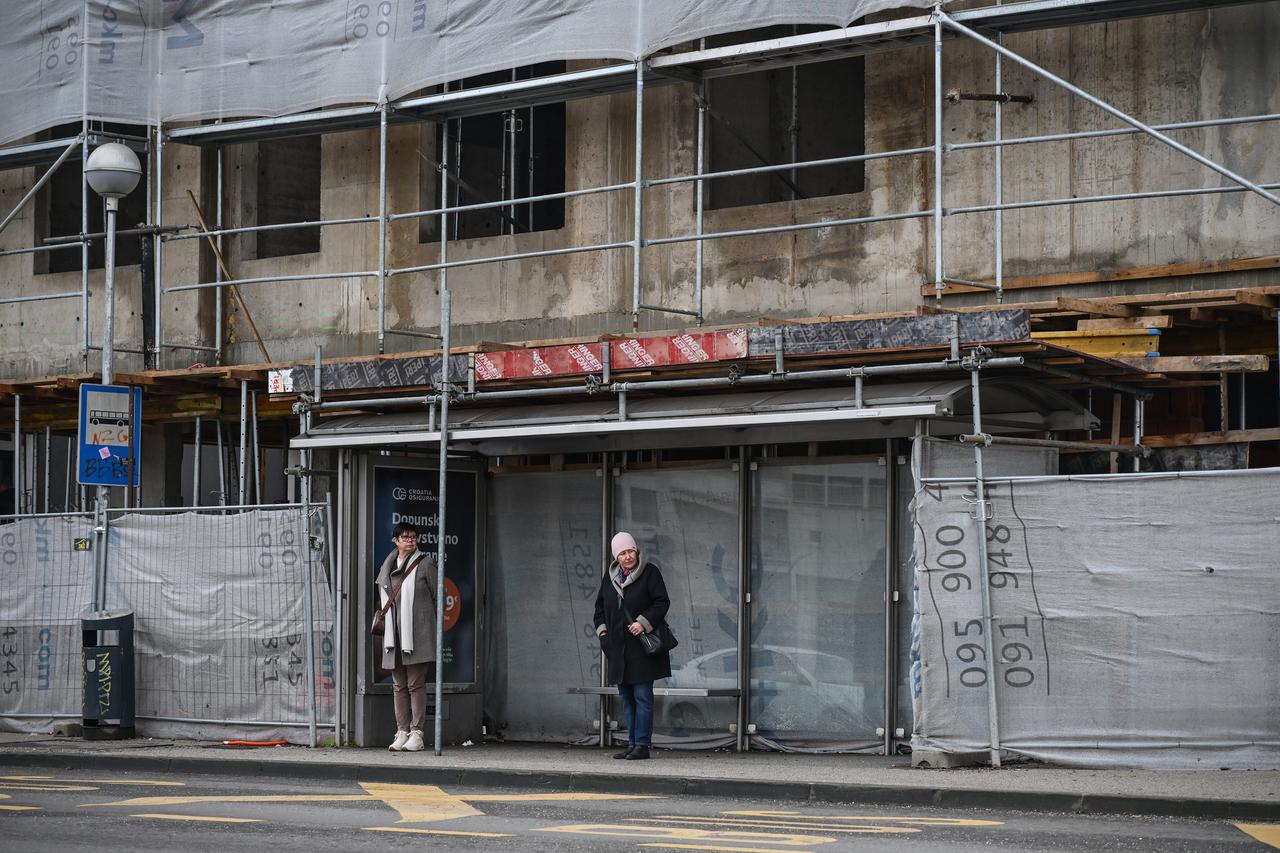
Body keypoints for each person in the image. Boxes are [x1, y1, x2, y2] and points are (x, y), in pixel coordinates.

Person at [593, 531, 671, 760]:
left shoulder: (650, 572)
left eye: (630, 551)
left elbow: (662, 602)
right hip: (618, 649)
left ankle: (642, 745)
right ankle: (632, 743)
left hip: (642, 648)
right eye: (622, 553)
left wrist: (642, 623)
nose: (627, 557)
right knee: (627, 698)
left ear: (636, 551)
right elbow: (599, 609)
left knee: (642, 696)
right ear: (616, 557)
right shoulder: (610, 577)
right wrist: (603, 633)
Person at [375, 521, 437, 752]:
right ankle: (401, 731)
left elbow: (438, 596)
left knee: (415, 684)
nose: (410, 540)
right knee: (399, 686)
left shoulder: (426, 563)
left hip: (416, 634)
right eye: (405, 537)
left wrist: (427, 623)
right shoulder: (387, 566)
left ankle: (417, 733)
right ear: (396, 541)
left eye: (413, 537)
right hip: (394, 635)